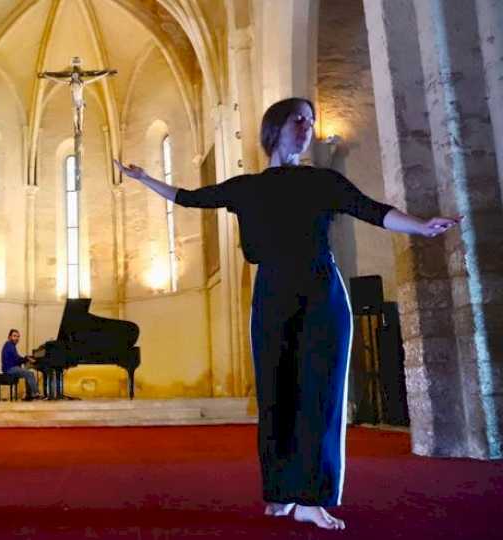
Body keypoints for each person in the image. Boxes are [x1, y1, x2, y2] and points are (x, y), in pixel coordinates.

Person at [115, 97, 460, 531]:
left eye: (311, 121)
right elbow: (188, 198)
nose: (307, 127)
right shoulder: (246, 187)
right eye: (299, 119)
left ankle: (314, 499)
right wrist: (145, 179)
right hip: (273, 292)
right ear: (274, 128)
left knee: (321, 395)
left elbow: (373, 211)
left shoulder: (322, 182)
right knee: (277, 394)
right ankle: (281, 493)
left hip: (322, 293)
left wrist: (422, 225)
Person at [1, 329, 42, 401]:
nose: (16, 338)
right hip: (9, 369)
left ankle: (29, 396)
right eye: (14, 336)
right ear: (9, 337)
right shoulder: (9, 345)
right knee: (29, 373)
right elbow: (17, 359)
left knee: (27, 373)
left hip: (10, 368)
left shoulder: (11, 345)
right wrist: (26, 359)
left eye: (18, 336)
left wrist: (25, 358)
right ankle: (36, 393)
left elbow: (17, 358)